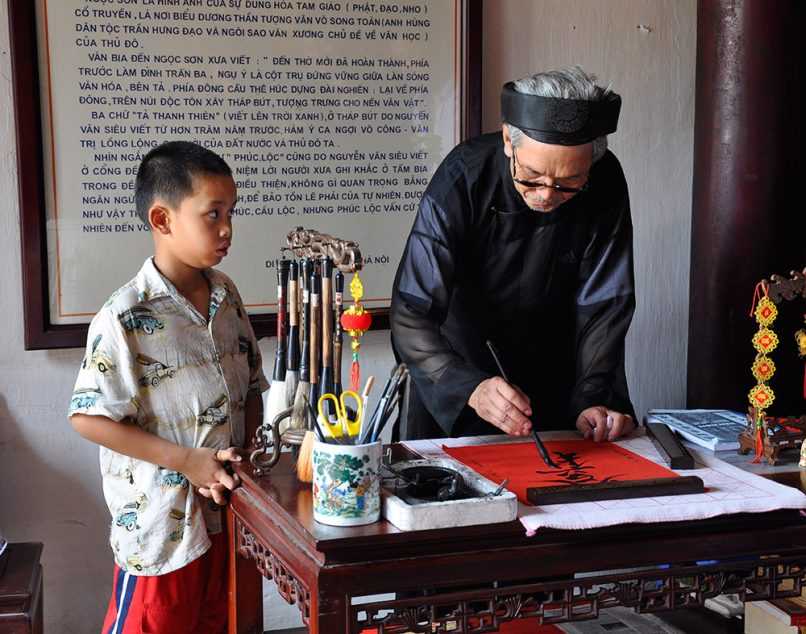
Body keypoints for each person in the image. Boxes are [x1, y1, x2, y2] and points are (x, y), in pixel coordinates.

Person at [68, 141, 268, 633]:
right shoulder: (125, 315)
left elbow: (253, 387)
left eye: (231, 213)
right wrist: (187, 461)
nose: (227, 229)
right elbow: (88, 418)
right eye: (212, 214)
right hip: (163, 530)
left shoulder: (227, 294)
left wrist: (248, 453)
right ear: (162, 220)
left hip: (230, 513)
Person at [391, 66, 637, 443]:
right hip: (458, 373)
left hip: (558, 370)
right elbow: (412, 310)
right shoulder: (465, 175)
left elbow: (605, 303)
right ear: (509, 139)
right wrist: (468, 386)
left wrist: (593, 397)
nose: (546, 195)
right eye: (531, 177)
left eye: (569, 184)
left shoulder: (605, 180)